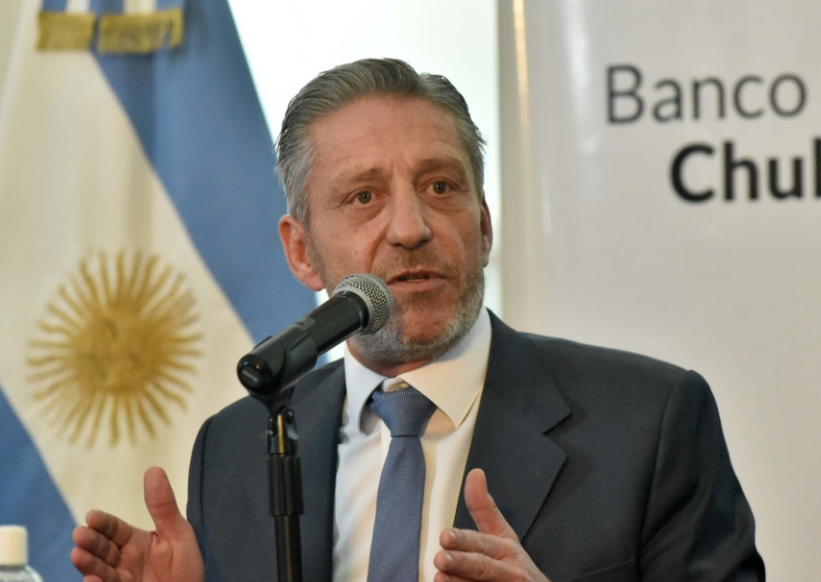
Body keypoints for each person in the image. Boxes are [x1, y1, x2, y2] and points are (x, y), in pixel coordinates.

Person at [70, 58, 766, 582]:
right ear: (301, 252)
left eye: (440, 186)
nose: (410, 227)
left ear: (483, 224)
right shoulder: (237, 449)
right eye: (363, 197)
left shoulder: (648, 423)